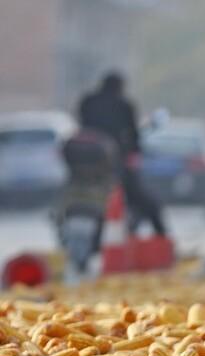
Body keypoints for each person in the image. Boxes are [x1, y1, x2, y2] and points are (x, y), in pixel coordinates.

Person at [77, 71, 168, 237]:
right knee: (147, 202)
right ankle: (162, 238)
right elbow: (133, 137)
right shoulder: (124, 105)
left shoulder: (87, 102)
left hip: (83, 167)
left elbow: (81, 126)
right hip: (115, 166)